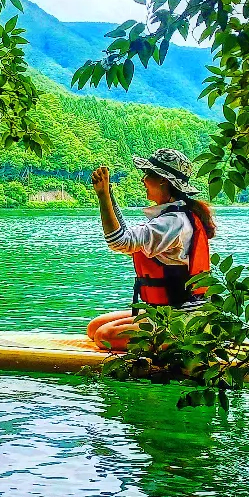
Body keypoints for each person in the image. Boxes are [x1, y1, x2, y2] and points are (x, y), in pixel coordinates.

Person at [86, 148, 216, 352]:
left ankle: (186, 339)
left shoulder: (173, 222)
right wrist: (109, 195)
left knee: (104, 336)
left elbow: (118, 241)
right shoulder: (173, 216)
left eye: (147, 174)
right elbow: (127, 238)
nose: (143, 179)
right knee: (94, 327)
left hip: (183, 316)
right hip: (165, 311)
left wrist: (103, 197)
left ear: (163, 180)